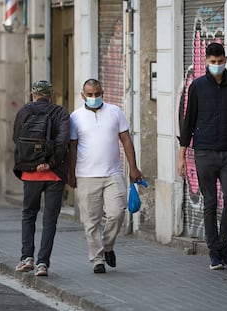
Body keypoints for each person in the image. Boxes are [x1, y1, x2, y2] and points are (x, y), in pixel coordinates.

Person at [177, 42, 227, 270]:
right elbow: (188, 121)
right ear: (206, 62)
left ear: (225, 60)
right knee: (210, 202)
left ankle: (223, 244)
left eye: (220, 62)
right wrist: (181, 156)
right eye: (212, 62)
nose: (217, 65)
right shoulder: (197, 86)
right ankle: (215, 252)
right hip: (204, 153)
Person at [68, 78, 143, 274]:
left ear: (103, 92)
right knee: (91, 221)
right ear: (82, 95)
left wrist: (133, 168)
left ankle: (108, 246)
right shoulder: (75, 117)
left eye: (97, 94)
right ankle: (97, 259)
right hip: (85, 176)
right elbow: (73, 148)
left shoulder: (115, 112)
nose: (94, 98)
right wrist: (71, 173)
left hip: (113, 174)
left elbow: (126, 140)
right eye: (90, 95)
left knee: (117, 214)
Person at [12, 80, 70, 276]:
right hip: (54, 175)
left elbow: (17, 140)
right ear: (50, 95)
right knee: (50, 220)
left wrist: (33, 163)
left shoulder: (24, 112)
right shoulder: (61, 113)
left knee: (29, 215)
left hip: (31, 174)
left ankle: (26, 258)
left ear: (33, 95)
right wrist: (50, 164)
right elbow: (63, 142)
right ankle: (42, 264)